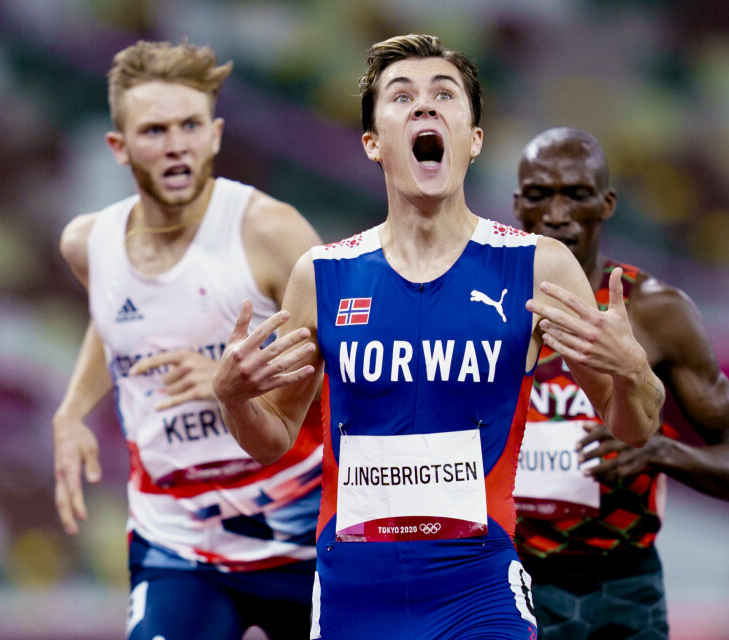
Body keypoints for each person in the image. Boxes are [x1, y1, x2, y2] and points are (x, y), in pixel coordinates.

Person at [211, 35, 665, 640]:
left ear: (473, 138)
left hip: (477, 590)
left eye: (443, 95)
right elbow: (271, 440)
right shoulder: (322, 275)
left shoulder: (538, 267)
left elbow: (632, 424)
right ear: (373, 143)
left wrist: (634, 371)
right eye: (403, 97)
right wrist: (232, 398)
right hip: (354, 596)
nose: (425, 107)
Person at [52, 40, 324, 640]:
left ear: (216, 135)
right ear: (119, 148)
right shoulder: (87, 244)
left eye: (190, 126)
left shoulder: (270, 232)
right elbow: (116, 320)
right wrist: (72, 410)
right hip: (178, 544)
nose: (176, 144)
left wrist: (236, 387)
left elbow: (337, 356)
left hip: (304, 538)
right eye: (154, 130)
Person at [511, 126, 729, 639]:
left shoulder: (658, 312)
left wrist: (656, 451)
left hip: (623, 586)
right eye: (540, 195)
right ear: (518, 203)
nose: (558, 214)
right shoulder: (476, 307)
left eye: (577, 195)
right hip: (504, 581)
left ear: (607, 204)